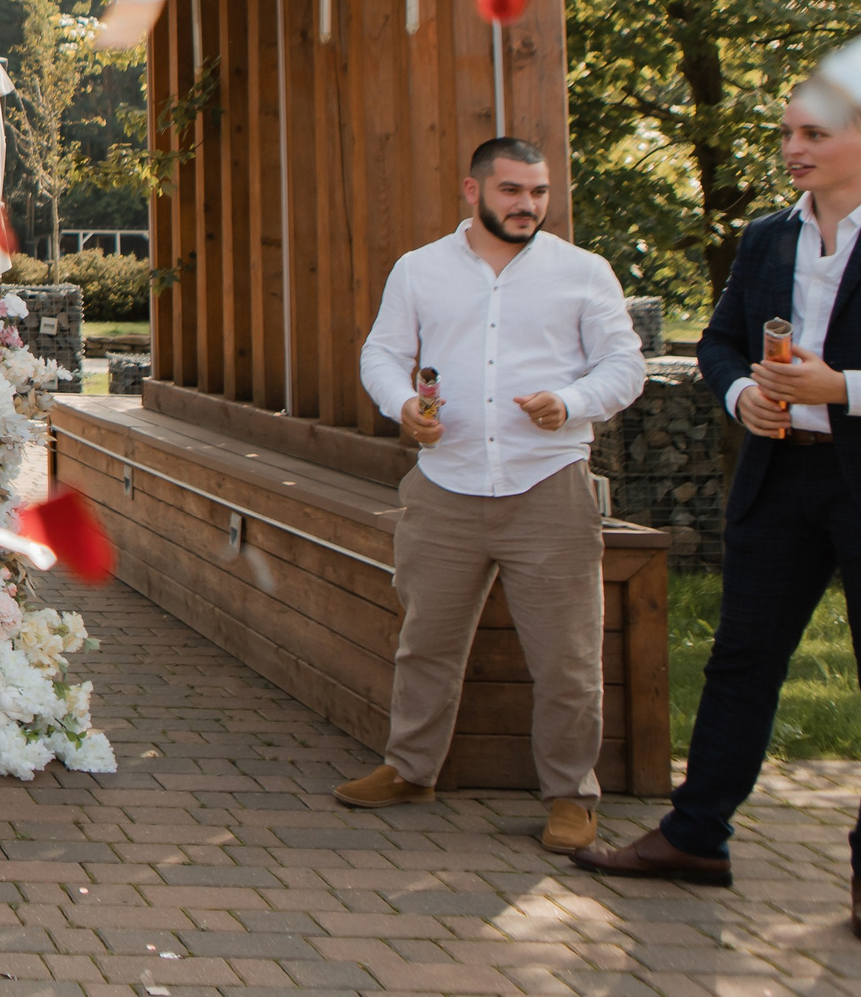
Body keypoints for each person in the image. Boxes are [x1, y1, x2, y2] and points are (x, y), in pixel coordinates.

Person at [577, 78, 861, 929]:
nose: (793, 148)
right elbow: (722, 340)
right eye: (786, 134)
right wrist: (742, 396)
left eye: (813, 132)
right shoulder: (769, 235)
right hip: (779, 476)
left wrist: (838, 385)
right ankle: (696, 834)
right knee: (742, 659)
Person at [342, 137, 645, 854]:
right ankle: (411, 770)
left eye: (538, 192)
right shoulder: (419, 269)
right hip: (444, 485)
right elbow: (381, 354)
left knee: (568, 656)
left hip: (550, 486)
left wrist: (570, 402)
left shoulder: (583, 272)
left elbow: (625, 365)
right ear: (473, 191)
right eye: (512, 190)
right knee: (426, 642)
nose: (528, 205)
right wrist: (402, 406)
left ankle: (571, 796)